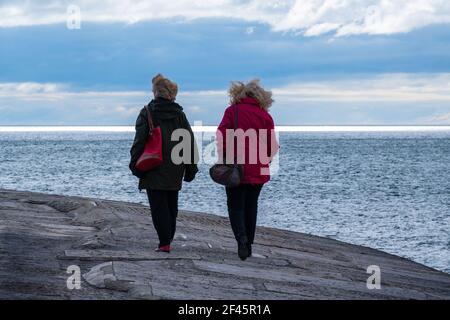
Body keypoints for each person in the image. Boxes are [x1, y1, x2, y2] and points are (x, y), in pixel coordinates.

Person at [129, 74, 198, 253]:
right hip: (175, 165)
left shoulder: (147, 112)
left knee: (158, 206)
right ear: (172, 94)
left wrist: (135, 165)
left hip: (153, 165)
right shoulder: (179, 114)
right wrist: (191, 168)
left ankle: (164, 241)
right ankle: (167, 238)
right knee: (171, 205)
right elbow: (188, 141)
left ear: (155, 92)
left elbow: (139, 141)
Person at [217, 79, 279, 261]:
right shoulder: (265, 116)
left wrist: (224, 156)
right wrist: (264, 158)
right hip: (258, 169)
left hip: (236, 166)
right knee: (251, 205)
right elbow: (272, 146)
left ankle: (241, 240)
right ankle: (248, 244)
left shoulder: (232, 112)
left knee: (235, 205)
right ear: (262, 97)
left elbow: (221, 135)